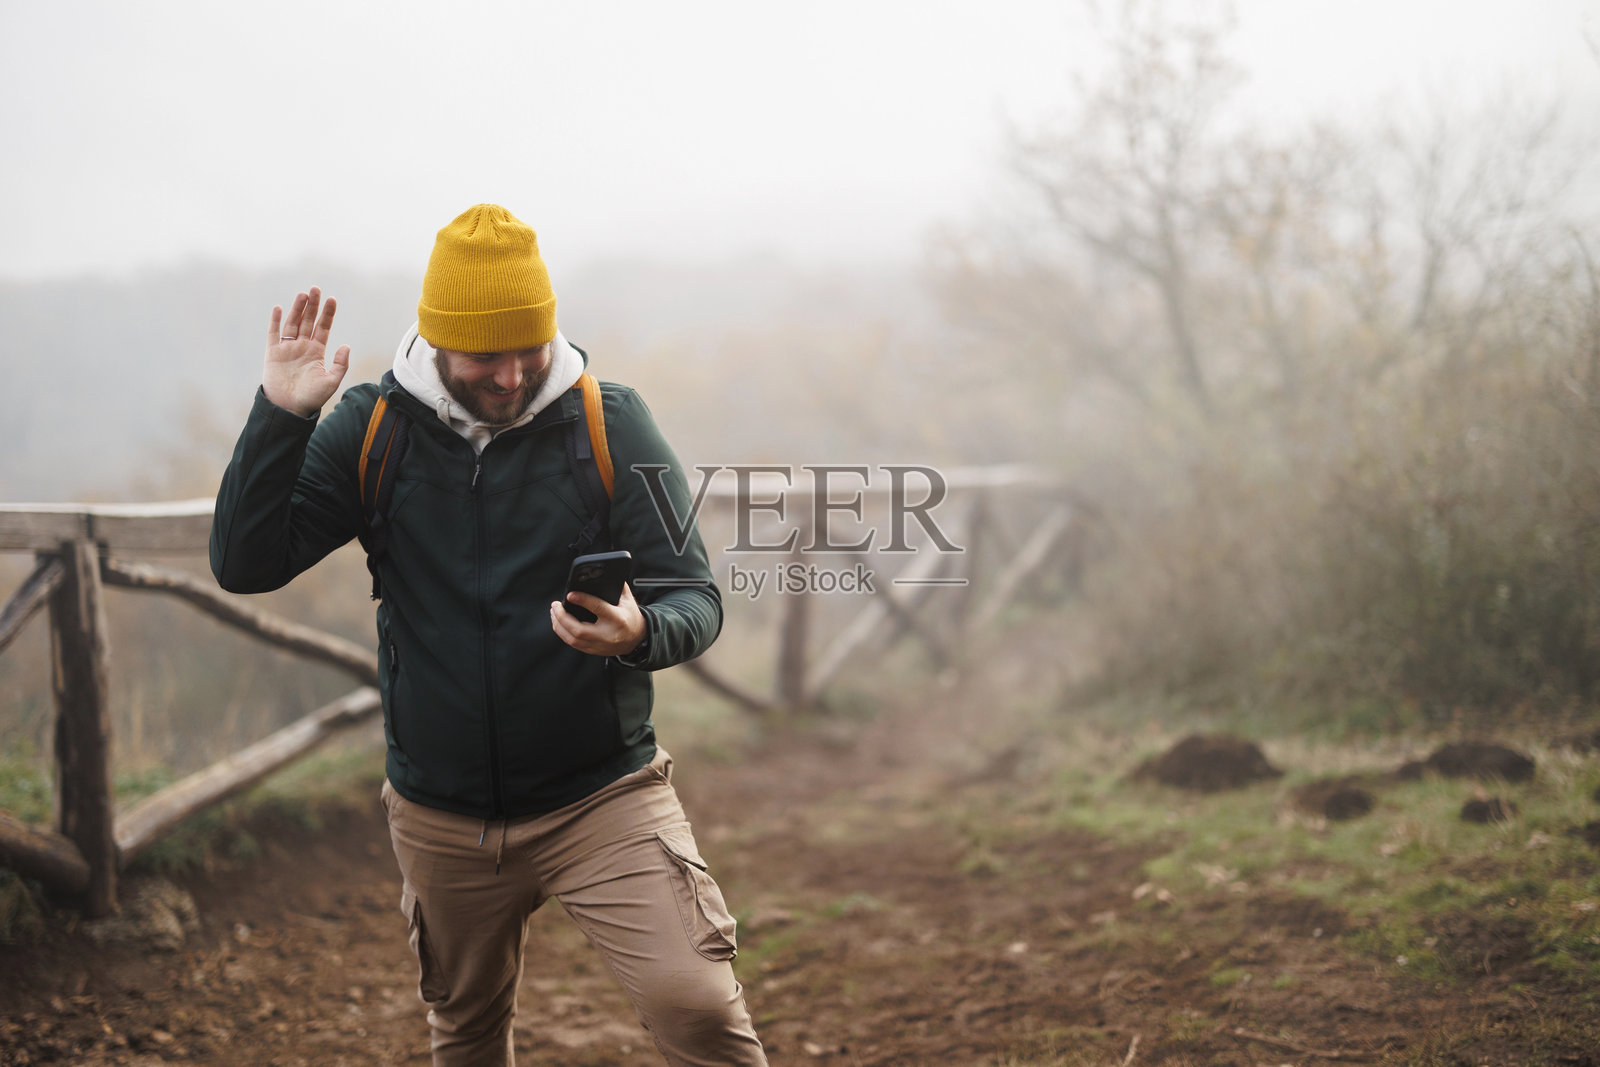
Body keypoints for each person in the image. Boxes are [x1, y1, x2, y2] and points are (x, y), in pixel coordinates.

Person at [210, 204, 767, 1066]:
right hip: (440, 814)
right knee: (465, 1034)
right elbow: (245, 563)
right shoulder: (371, 429)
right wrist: (281, 418)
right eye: (485, 356)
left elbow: (695, 595)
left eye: (529, 350)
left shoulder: (612, 422)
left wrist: (637, 632)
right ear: (437, 342)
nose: (511, 377)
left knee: (696, 1006)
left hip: (602, 797)